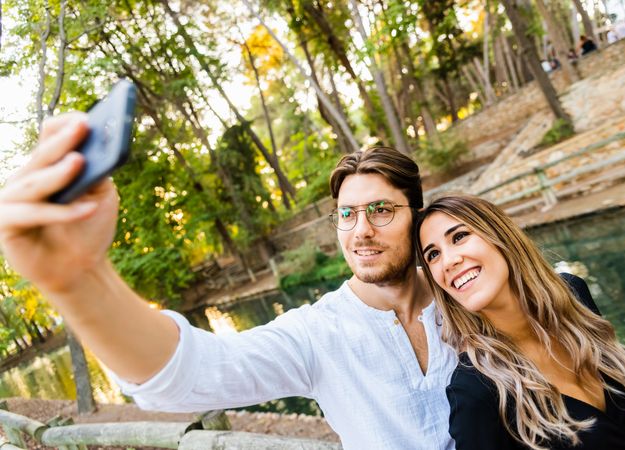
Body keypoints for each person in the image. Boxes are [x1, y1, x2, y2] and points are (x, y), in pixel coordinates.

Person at [0, 113, 457, 449]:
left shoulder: (466, 291)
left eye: (381, 210)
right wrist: (80, 277)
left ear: (416, 214)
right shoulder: (318, 334)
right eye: (347, 214)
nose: (361, 230)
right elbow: (189, 374)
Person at [415, 194, 625, 450]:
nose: (448, 261)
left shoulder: (573, 296)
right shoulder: (475, 391)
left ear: (500, 235)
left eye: (459, 237)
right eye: (433, 255)